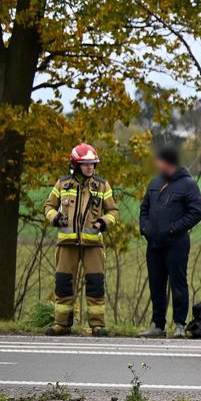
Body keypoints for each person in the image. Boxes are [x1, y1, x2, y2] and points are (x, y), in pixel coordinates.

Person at [45, 143, 119, 335]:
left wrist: (104, 222)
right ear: (75, 165)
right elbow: (48, 207)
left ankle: (97, 325)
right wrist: (55, 218)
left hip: (92, 245)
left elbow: (113, 211)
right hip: (66, 244)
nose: (90, 167)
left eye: (93, 164)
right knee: (62, 284)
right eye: (86, 164)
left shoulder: (102, 185)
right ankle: (62, 324)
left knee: (95, 284)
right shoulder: (62, 184)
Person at [138, 143, 201, 338]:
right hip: (154, 244)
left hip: (176, 244)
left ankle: (179, 325)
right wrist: (145, 228)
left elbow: (197, 212)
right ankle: (158, 325)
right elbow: (144, 208)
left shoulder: (188, 185)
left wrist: (175, 227)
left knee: (178, 284)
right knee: (156, 285)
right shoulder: (155, 183)